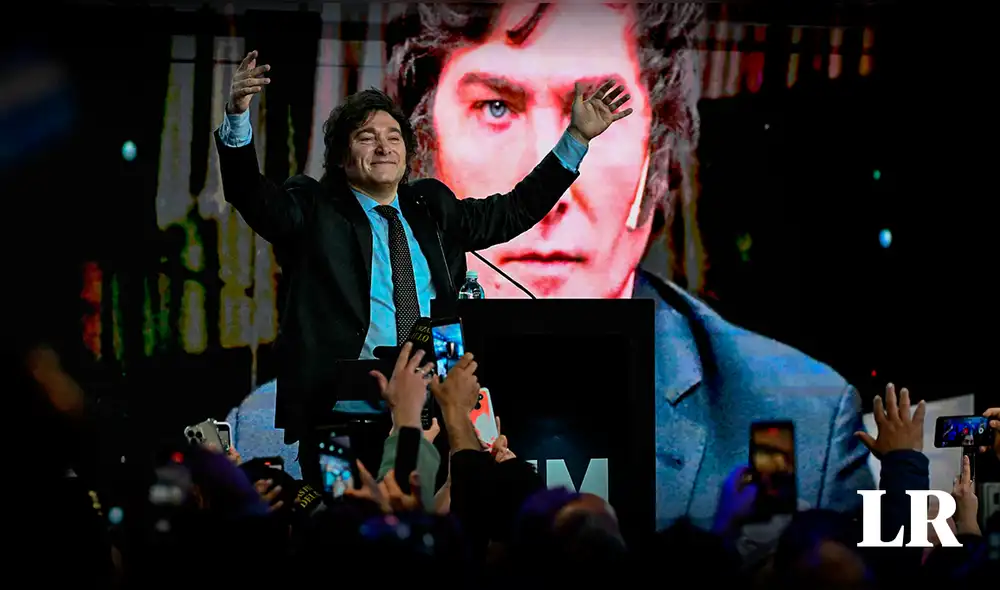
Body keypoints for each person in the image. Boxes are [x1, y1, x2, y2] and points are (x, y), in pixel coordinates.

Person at [384, 3, 874, 531]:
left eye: (600, 112)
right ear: (425, 153)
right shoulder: (294, 426)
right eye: (496, 107)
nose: (549, 195)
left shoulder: (806, 418)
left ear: (656, 158)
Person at [214, 47, 634, 481]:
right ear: (341, 158)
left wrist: (577, 139)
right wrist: (238, 117)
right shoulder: (315, 207)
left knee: (444, 531)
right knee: (355, 532)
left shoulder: (431, 207)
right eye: (366, 136)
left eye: (393, 137)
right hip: (345, 414)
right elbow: (252, 196)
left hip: (440, 409)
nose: (383, 146)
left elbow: (513, 211)